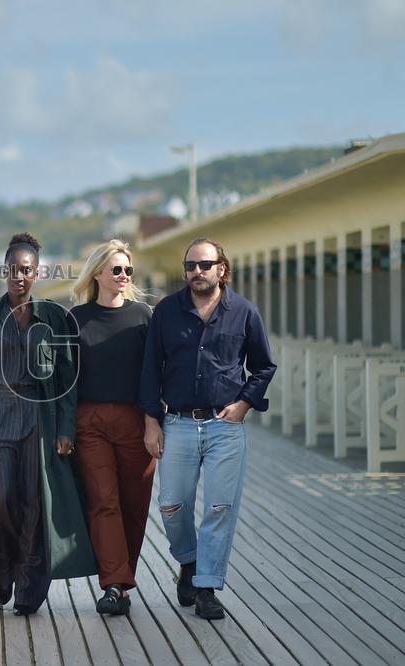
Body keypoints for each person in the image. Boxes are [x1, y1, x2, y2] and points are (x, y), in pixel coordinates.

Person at [139, 237, 276, 620]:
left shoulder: (245, 313)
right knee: (171, 505)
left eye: (204, 265)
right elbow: (150, 369)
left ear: (222, 268)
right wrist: (152, 422)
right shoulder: (166, 312)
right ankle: (188, 560)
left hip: (224, 427)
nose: (196, 272)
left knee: (220, 507)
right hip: (178, 423)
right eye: (190, 266)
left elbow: (264, 366)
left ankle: (207, 587)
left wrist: (246, 402)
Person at [0, 233, 95, 616]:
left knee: (34, 503)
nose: (20, 276)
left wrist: (67, 429)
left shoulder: (54, 317)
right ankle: (2, 564)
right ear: (4, 271)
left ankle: (28, 584)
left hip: (39, 418)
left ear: (37, 273)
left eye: (28, 270)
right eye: (14, 269)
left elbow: (69, 379)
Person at [69, 240, 153, 615]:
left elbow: (155, 376)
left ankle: (123, 577)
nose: (123, 276)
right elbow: (66, 379)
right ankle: (114, 585)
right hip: (91, 422)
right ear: (98, 273)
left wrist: (154, 423)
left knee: (135, 506)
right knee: (104, 502)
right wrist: (65, 429)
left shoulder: (144, 317)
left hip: (138, 420)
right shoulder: (76, 318)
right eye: (116, 269)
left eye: (128, 270)